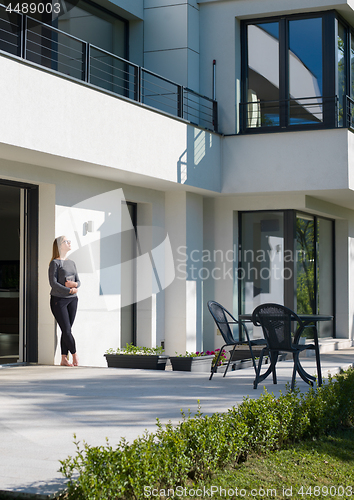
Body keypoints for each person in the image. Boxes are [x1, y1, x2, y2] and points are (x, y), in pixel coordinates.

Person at [48, 236, 80, 367]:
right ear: (60, 245)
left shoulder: (71, 262)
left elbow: (78, 281)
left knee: (66, 330)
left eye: (69, 241)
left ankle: (63, 359)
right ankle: (74, 355)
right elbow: (53, 283)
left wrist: (75, 285)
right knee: (67, 330)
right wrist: (69, 290)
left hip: (72, 300)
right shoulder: (54, 263)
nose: (69, 243)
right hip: (59, 301)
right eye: (66, 241)